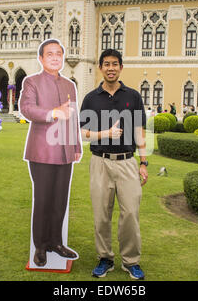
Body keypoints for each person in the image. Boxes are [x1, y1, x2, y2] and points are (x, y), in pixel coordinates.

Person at [80, 49, 148, 280]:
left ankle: (131, 261)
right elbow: (83, 134)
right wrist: (106, 133)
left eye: (115, 64)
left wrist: (144, 162)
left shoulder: (133, 96)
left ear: (121, 67)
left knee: (130, 213)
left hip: (128, 162)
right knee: (101, 215)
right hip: (100, 162)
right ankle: (105, 258)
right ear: (100, 67)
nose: (111, 68)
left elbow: (139, 131)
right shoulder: (91, 98)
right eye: (106, 64)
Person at [19, 39, 82, 268]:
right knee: (43, 200)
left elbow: (73, 117)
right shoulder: (32, 82)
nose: (55, 57)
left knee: (60, 201)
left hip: (66, 151)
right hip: (42, 152)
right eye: (50, 54)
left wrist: (76, 146)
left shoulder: (69, 85)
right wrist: (54, 112)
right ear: (41, 59)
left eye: (58, 54)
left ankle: (57, 242)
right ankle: (40, 246)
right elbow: (27, 109)